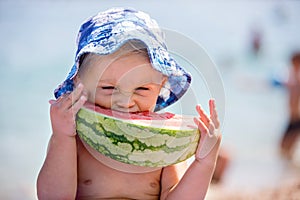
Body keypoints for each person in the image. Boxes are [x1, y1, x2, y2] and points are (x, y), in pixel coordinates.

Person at [37, 8, 222, 199]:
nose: (125, 103)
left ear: (161, 86)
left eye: (142, 89)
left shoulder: (163, 144)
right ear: (79, 84)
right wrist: (61, 137)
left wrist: (204, 163)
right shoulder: (74, 139)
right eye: (108, 88)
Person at [280, 52, 300, 159]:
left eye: (294, 63)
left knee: (287, 146)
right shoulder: (293, 78)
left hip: (297, 119)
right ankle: (290, 170)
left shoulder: (298, 80)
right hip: (292, 118)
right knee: (283, 147)